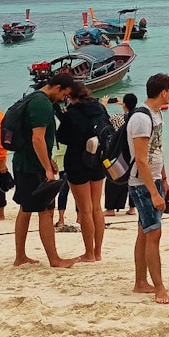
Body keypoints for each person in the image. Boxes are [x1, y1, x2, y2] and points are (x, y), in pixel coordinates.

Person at [12, 72, 76, 268]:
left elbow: (36, 139)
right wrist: (47, 168)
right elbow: (37, 138)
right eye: (65, 94)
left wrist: (48, 160)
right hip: (33, 167)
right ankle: (54, 259)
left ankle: (20, 256)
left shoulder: (33, 97)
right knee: (46, 211)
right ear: (57, 88)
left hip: (24, 162)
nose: (64, 98)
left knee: (25, 208)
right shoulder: (42, 104)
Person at [128, 74, 169, 303]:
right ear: (164, 92)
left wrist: (164, 180)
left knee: (145, 232)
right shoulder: (141, 118)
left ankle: (140, 282)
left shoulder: (157, 115)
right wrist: (154, 192)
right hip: (141, 183)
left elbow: (158, 149)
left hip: (154, 180)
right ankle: (159, 288)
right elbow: (141, 159)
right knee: (154, 233)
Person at [56, 81, 109, 262]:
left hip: (77, 161)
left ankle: (89, 253)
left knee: (85, 210)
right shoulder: (100, 108)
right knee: (96, 207)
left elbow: (62, 137)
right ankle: (98, 252)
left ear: (71, 96)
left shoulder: (72, 114)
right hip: (98, 159)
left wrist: (64, 116)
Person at [103, 93, 137, 216]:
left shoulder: (119, 118)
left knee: (113, 179)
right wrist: (123, 104)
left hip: (120, 153)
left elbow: (105, 121)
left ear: (125, 104)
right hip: (133, 153)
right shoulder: (136, 118)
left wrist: (104, 106)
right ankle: (132, 208)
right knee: (131, 179)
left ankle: (110, 209)